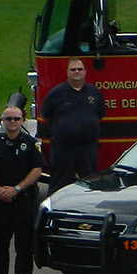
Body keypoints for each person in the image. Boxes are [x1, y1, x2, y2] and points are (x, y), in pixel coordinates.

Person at [0, 106, 46, 274]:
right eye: (8, 119)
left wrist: (17, 189)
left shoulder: (30, 144)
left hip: (23, 201)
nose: (12, 122)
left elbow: (37, 170)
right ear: (3, 121)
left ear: (22, 121)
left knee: (24, 245)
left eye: (16, 119)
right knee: (0, 244)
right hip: (0, 202)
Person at [41, 58, 106, 192]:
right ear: (67, 72)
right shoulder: (56, 93)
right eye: (73, 69)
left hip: (87, 149)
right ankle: (56, 211)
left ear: (85, 71)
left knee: (91, 185)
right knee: (59, 185)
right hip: (63, 149)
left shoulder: (94, 93)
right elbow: (46, 116)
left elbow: (100, 114)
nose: (77, 72)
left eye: (79, 69)